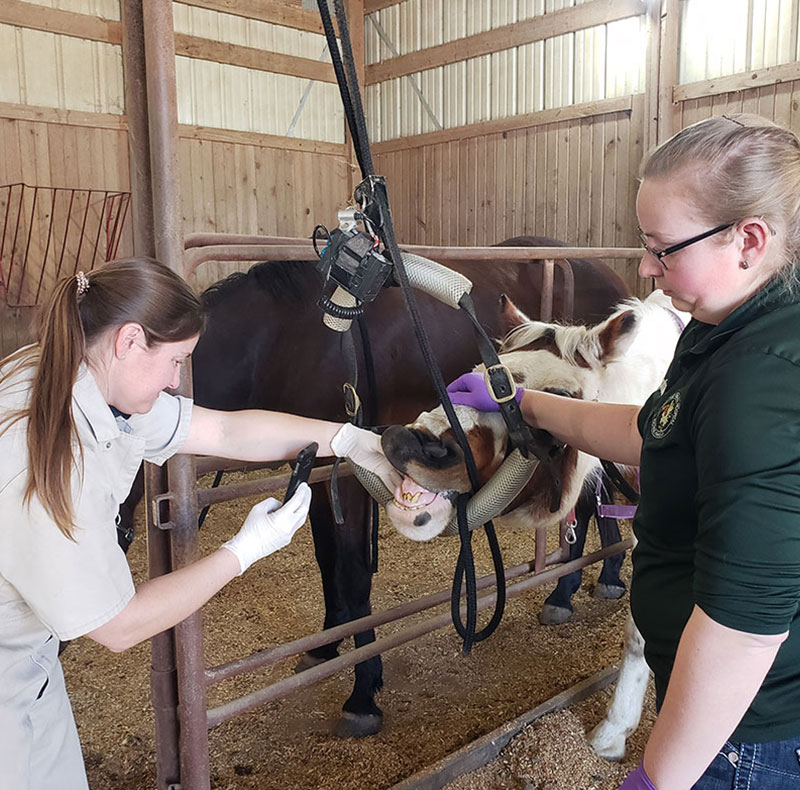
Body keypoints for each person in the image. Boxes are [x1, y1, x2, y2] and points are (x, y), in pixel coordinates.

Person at [446, 114, 800, 789]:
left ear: (748, 240)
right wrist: (528, 406)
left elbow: (746, 629)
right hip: (723, 714)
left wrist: (659, 778)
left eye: (662, 248)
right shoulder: (728, 320)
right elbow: (659, 431)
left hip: (746, 736)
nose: (643, 267)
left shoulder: (762, 380)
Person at [0, 258, 398, 790]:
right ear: (129, 341)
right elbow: (119, 626)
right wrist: (243, 549)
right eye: (175, 362)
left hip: (27, 665)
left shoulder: (70, 373)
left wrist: (353, 440)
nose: (174, 381)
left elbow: (224, 432)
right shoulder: (47, 459)